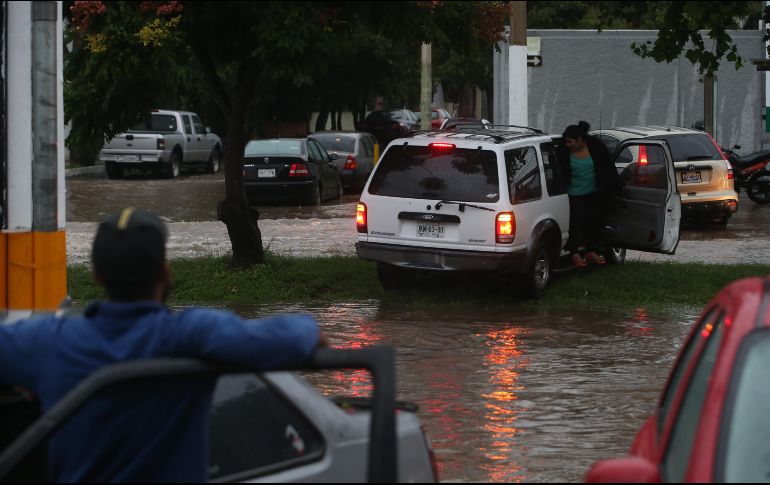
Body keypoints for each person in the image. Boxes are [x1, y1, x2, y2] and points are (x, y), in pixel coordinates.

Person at [0, 208, 325, 482]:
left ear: (97, 275)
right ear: (164, 272)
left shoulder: (50, 340)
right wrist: (310, 328)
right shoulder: (190, 334)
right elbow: (291, 337)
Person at [556, 121, 623, 267]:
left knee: (593, 222)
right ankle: (574, 252)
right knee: (576, 224)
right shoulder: (563, 151)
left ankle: (590, 250)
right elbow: (558, 171)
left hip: (594, 192)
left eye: (570, 142)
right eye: (566, 142)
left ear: (580, 139)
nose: (568, 144)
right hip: (574, 194)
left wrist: (614, 186)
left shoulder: (595, 147)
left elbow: (607, 167)